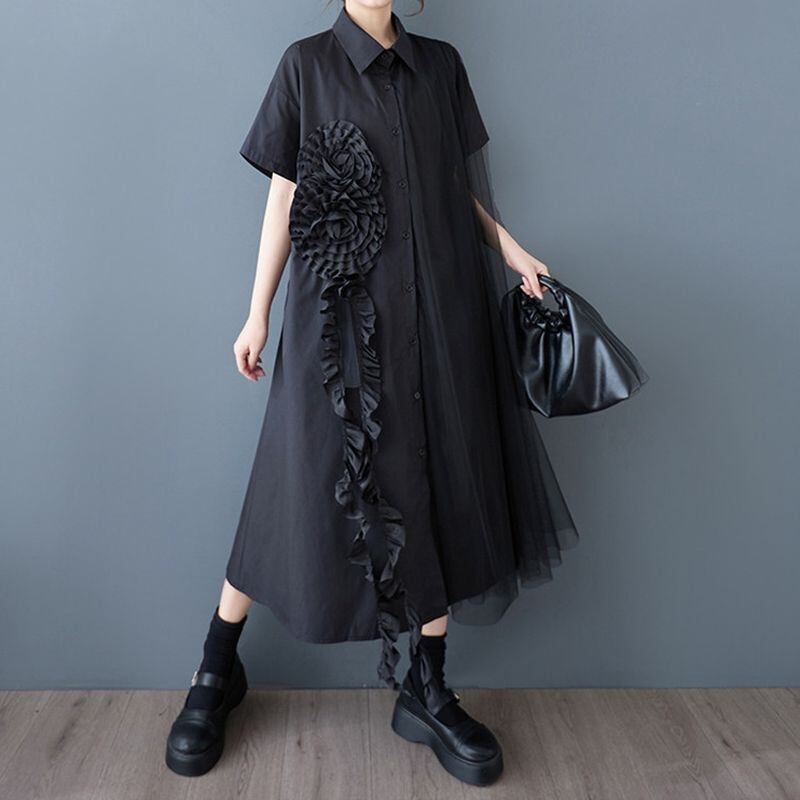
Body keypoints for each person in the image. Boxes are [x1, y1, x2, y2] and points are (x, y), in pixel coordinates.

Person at [165, 0, 578, 787]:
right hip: (338, 324)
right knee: (294, 479)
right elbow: (284, 197)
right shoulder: (306, 66)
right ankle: (216, 666)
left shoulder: (441, 67)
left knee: (431, 479)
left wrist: (513, 251)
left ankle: (426, 684)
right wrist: (256, 314)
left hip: (438, 315)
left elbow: (452, 187)